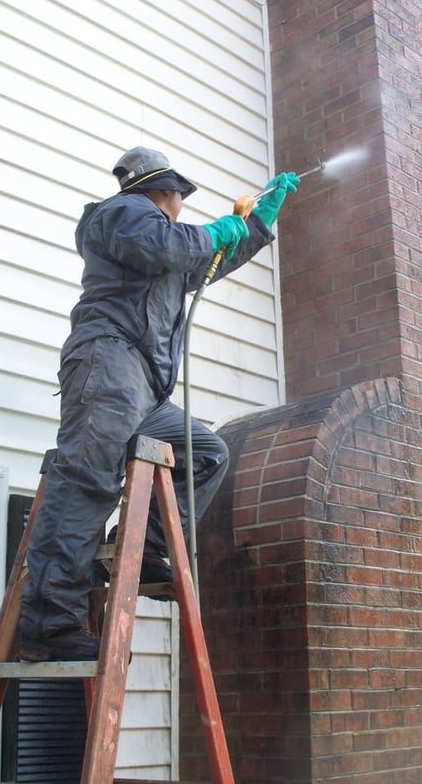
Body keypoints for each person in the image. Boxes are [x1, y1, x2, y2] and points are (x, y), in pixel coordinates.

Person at [19, 147, 299, 660]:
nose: (180, 204)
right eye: (178, 195)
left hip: (143, 386)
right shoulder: (125, 214)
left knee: (205, 452)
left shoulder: (164, 247)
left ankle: (147, 551)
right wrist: (216, 230)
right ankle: (49, 623)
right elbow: (167, 245)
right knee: (87, 483)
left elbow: (203, 263)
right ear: (161, 189)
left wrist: (256, 225)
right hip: (109, 366)